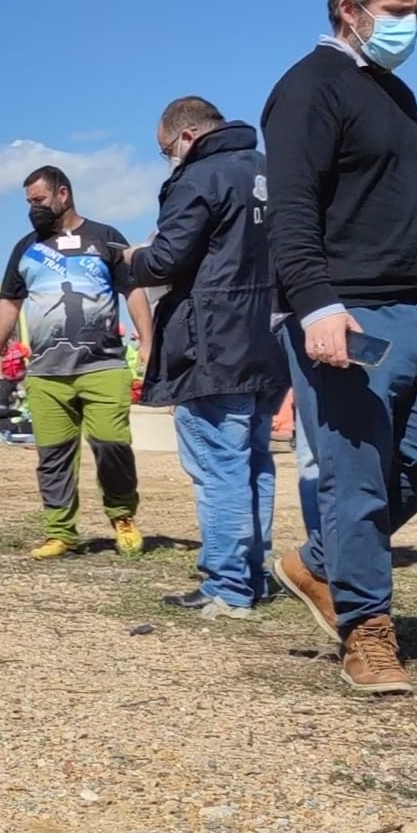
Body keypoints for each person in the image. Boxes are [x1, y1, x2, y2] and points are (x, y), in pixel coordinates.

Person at [264, 0, 417, 695]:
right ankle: (366, 631)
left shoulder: (395, 94)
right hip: (349, 313)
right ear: (350, 11)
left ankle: (321, 562)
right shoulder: (309, 86)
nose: (410, 25)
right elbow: (288, 208)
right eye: (397, 11)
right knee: (355, 480)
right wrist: (316, 304)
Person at [125, 97, 289, 618]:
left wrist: (132, 259)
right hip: (269, 337)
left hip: (212, 340)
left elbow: (169, 258)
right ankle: (254, 574)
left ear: (187, 136)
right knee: (255, 462)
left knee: (218, 464)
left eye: (164, 150)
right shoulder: (273, 172)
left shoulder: (199, 178)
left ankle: (227, 585)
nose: (167, 159)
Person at [0, 167, 152, 560]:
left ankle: (122, 517)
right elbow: (10, 301)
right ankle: (61, 532)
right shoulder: (26, 248)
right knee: (53, 455)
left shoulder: (105, 238)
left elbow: (132, 290)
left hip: (103, 365)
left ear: (63, 194)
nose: (34, 209)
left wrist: (148, 339)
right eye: (29, 203)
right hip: (46, 372)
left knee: (112, 444)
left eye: (40, 201)